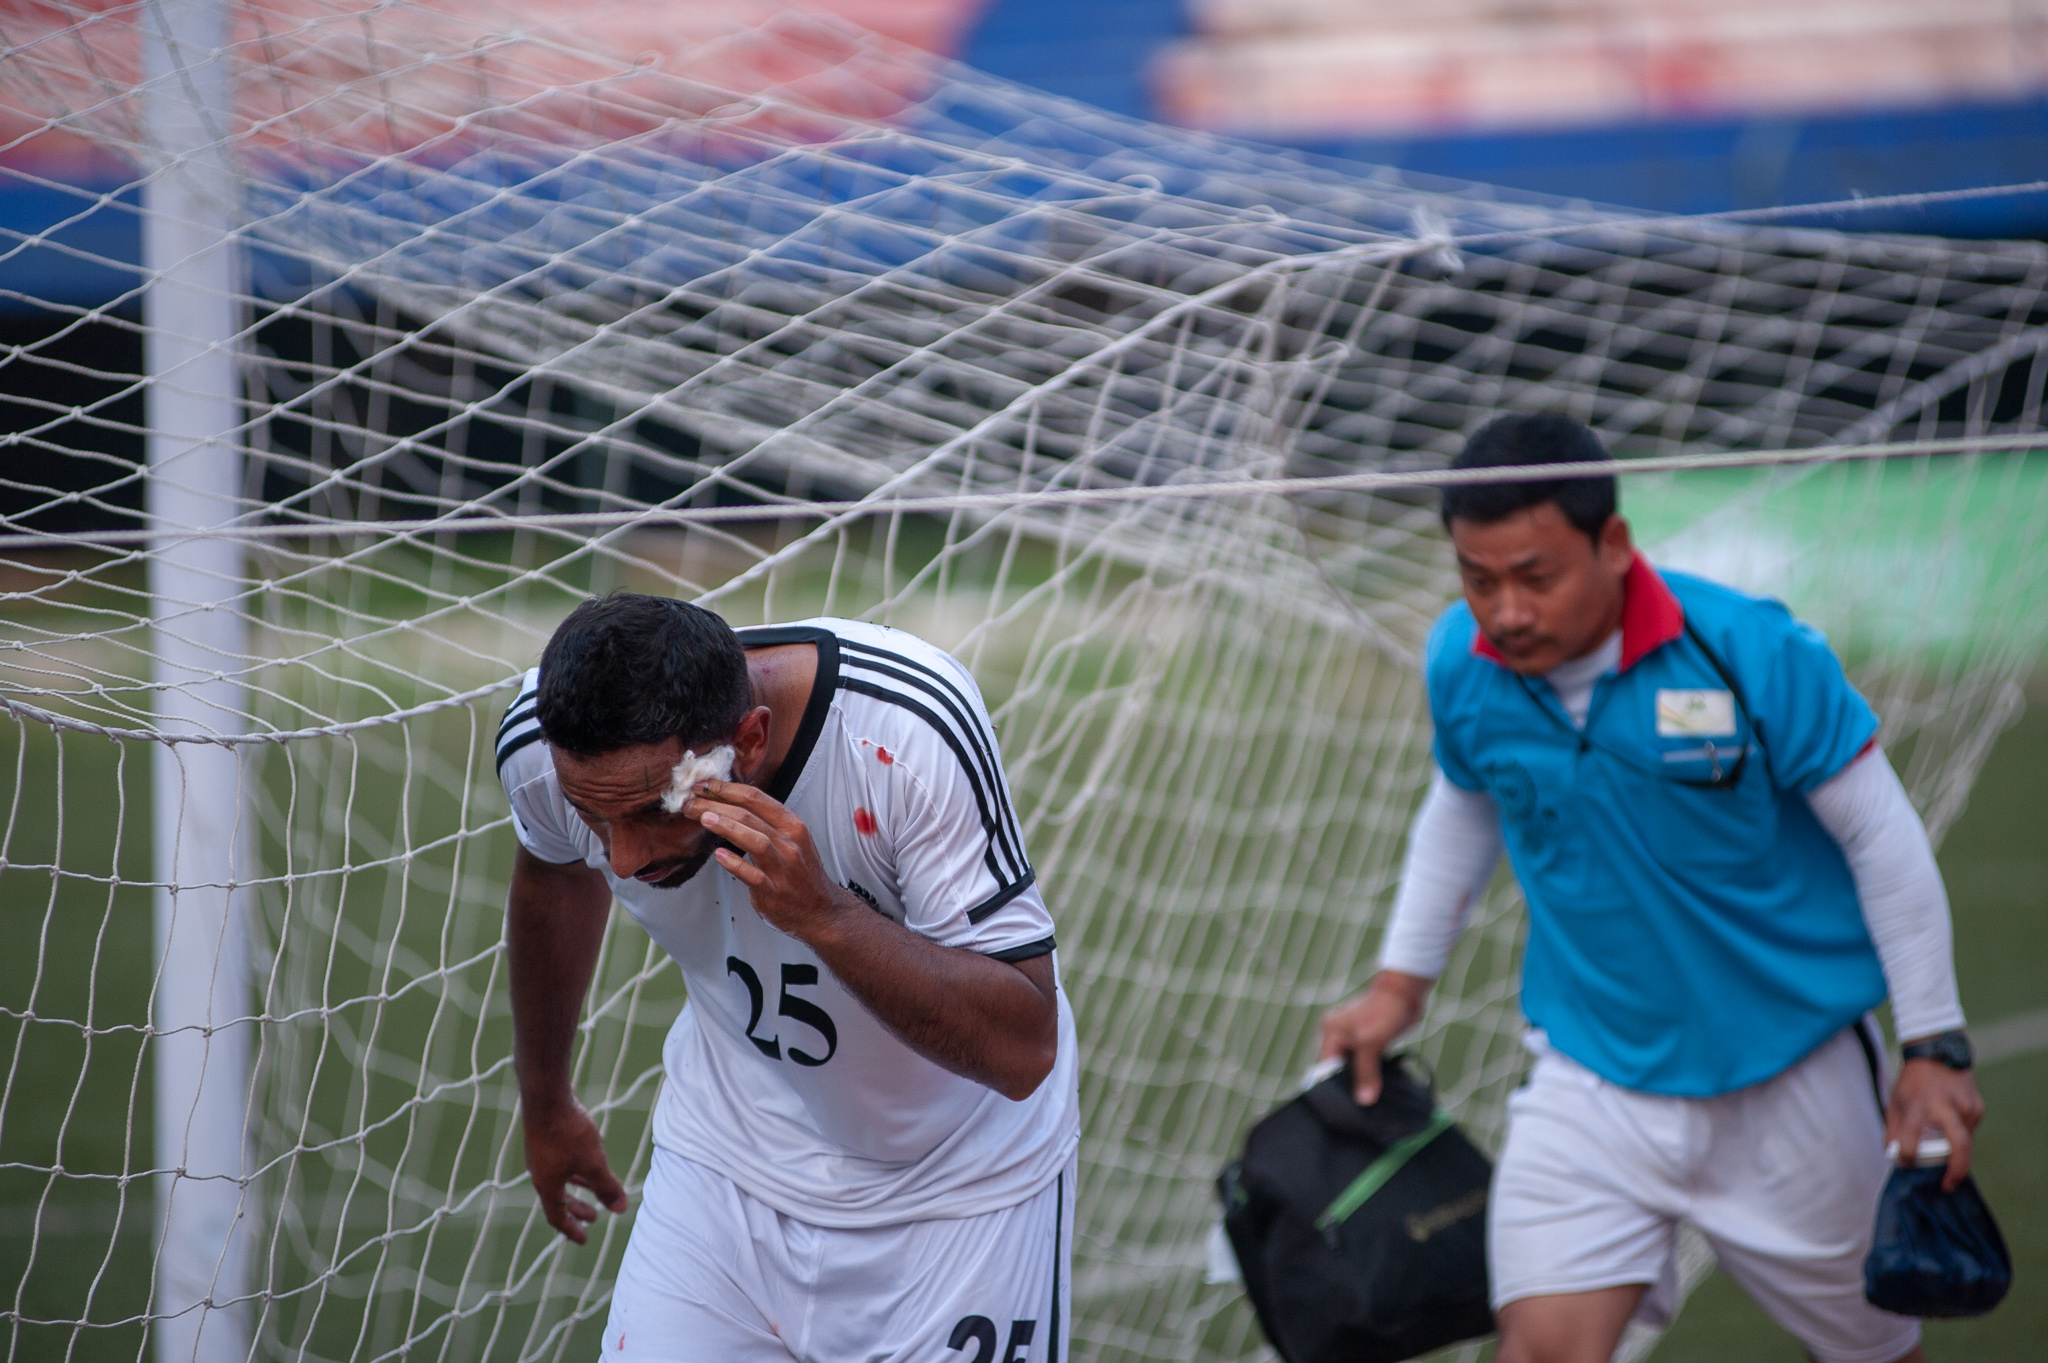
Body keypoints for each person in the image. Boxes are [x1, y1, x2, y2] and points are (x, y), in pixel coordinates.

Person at [1318, 414, 1985, 1363]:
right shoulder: (1460, 664)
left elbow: (1881, 836)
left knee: (1876, 1356)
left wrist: (1935, 1042)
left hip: (1791, 1075)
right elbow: (1463, 806)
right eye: (1478, 579)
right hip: (1592, 1079)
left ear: (1616, 545)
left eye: (1535, 576)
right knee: (1541, 1351)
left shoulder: (1750, 650)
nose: (1504, 611)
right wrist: (1398, 984)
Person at [495, 596, 1079, 1362]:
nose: (626, 857)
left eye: (654, 812)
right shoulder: (544, 748)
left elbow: (1024, 1045)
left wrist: (825, 915)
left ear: (750, 739)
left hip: (958, 1194)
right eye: (597, 819)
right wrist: (545, 1100)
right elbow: (554, 873)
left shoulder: (904, 730)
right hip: (725, 1173)